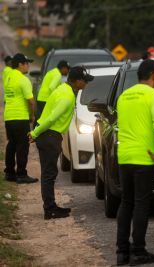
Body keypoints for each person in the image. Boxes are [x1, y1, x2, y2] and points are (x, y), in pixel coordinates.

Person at [115, 59, 154, 266]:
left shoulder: (124, 96)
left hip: (124, 157)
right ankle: (138, 251)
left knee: (126, 202)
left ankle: (122, 252)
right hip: (144, 158)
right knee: (141, 203)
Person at [28, 66, 93, 220]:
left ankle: (50, 207)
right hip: (50, 135)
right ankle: (49, 209)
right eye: (85, 81)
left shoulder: (62, 89)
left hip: (47, 135)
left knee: (48, 173)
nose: (86, 84)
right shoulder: (67, 97)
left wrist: (37, 131)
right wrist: (35, 133)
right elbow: (51, 118)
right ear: (77, 81)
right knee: (49, 175)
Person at [3, 53, 38, 184]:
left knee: (11, 144)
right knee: (22, 146)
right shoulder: (24, 80)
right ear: (20, 65)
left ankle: (10, 173)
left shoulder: (9, 77)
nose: (28, 65)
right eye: (26, 63)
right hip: (20, 117)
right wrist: (32, 115)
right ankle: (22, 174)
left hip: (9, 117)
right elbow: (30, 101)